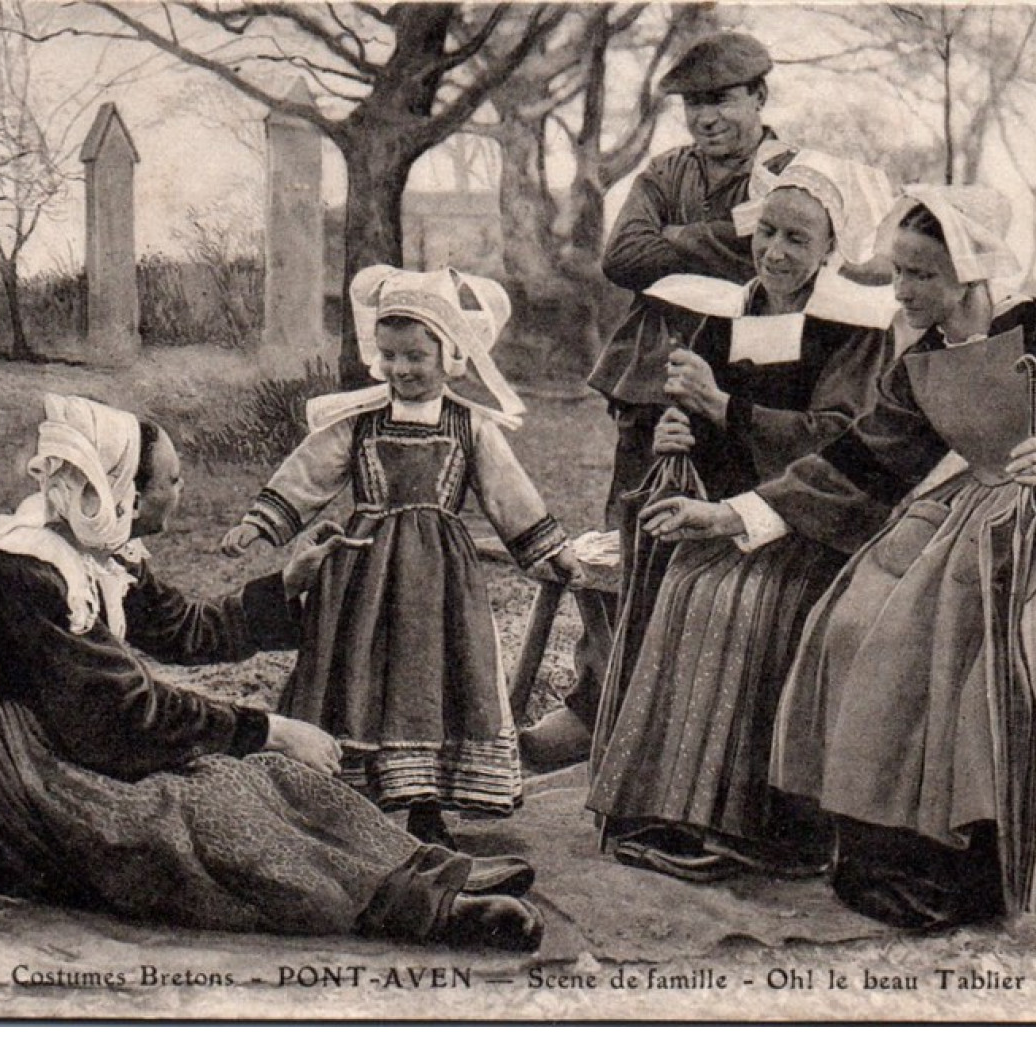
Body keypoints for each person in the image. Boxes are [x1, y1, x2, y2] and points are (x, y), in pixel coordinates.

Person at [642, 185, 1036, 928]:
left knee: (938, 638)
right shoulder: (921, 357)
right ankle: (878, 846)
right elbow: (857, 463)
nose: (901, 290)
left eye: (921, 275)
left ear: (969, 270)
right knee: (852, 623)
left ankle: (970, 860)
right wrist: (729, 512)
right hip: (972, 515)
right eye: (897, 272)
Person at [0, 394, 544, 951]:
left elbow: (188, 631)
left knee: (266, 774)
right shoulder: (28, 573)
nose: (180, 493)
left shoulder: (103, 554)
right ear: (121, 491)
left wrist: (287, 584)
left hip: (66, 733)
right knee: (187, 810)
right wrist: (268, 727)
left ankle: (423, 868)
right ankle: (415, 909)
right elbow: (122, 715)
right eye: (172, 480)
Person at [586, 148, 896, 881]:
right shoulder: (722, 314)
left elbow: (842, 445)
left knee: (739, 598)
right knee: (683, 580)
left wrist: (724, 407)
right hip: (729, 512)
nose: (775, 252)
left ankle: (756, 822)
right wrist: (679, 432)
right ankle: (664, 807)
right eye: (766, 234)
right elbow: (696, 423)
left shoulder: (852, 328)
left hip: (814, 520)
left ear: (830, 249)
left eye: (797, 238)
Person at [222, 266, 579, 850]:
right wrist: (259, 523)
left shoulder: (470, 427)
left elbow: (508, 494)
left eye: (416, 356)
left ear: (451, 353)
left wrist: (548, 550)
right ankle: (341, 796)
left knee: (431, 679)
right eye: (389, 356)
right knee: (353, 668)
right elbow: (309, 473)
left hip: (438, 581)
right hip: (360, 574)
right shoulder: (360, 425)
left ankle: (425, 806)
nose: (402, 369)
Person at [521, 31, 780, 768]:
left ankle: (700, 737)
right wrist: (724, 231)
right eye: (693, 104)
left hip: (751, 381)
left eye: (722, 100)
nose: (706, 119)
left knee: (725, 551)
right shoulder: (667, 171)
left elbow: (786, 259)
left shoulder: (792, 175)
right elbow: (623, 256)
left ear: (760, 97)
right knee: (629, 545)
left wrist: (684, 239)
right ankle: (597, 706)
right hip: (646, 379)